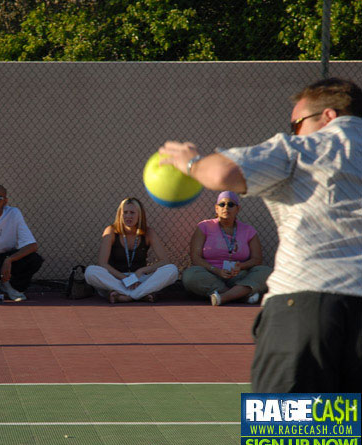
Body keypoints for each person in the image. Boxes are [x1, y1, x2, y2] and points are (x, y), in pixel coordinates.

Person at [159, 77, 362, 392]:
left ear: (328, 116)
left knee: (288, 437)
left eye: (297, 123)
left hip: (308, 304)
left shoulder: (300, 148)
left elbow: (222, 173)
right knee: (348, 434)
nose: (294, 130)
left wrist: (191, 163)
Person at [181, 191, 272, 306]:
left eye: (230, 205)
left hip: (239, 275)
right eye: (222, 204)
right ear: (216, 208)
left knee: (267, 272)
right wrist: (216, 270)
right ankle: (240, 295)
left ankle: (223, 297)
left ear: (237, 209)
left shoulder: (248, 230)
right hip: (211, 273)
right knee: (190, 275)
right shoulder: (204, 227)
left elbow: (257, 259)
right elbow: (195, 257)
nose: (226, 207)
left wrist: (241, 266)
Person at [84, 197, 178, 303]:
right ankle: (140, 295)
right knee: (90, 272)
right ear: (120, 214)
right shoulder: (111, 231)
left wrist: (141, 271)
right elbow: (102, 263)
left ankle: (126, 296)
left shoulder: (148, 233)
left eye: (132, 213)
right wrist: (124, 278)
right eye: (125, 212)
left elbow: (165, 261)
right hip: (116, 279)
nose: (128, 216)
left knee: (172, 270)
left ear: (140, 215)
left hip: (140, 279)